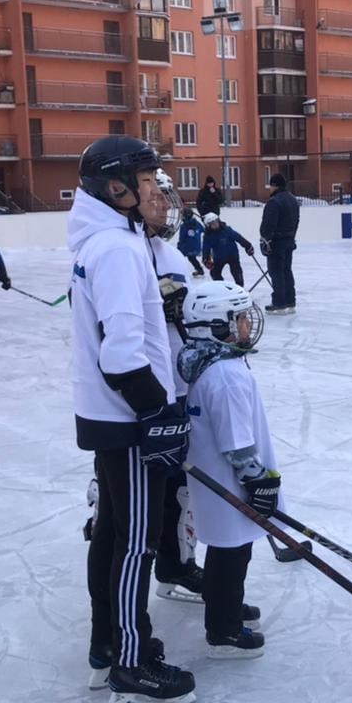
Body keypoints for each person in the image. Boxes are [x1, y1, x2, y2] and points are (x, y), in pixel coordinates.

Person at [68, 134, 196, 703]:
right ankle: (130, 662)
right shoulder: (118, 250)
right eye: (147, 180)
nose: (155, 189)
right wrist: (159, 413)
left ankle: (108, 644)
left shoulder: (104, 237)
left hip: (108, 417)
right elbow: (120, 353)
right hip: (129, 421)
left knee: (114, 536)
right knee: (135, 545)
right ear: (116, 187)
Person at [176, 280, 274, 658]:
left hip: (214, 480)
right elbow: (236, 441)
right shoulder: (227, 375)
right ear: (218, 326)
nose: (249, 325)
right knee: (231, 553)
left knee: (227, 550)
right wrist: (259, 481)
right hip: (229, 482)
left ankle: (226, 609)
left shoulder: (209, 363)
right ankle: (224, 631)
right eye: (241, 319)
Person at [143, 173, 205, 603]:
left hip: (180, 386)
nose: (167, 207)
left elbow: (191, 319)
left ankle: (177, 564)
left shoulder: (173, 256)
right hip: (141, 394)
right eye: (159, 198)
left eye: (170, 198)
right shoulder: (118, 253)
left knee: (179, 489)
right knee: (146, 495)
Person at [259, 172, 300, 315]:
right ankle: (290, 301)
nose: (269, 189)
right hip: (289, 241)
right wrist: (291, 236)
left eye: (270, 185)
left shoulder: (274, 202)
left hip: (276, 243)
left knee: (276, 272)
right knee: (286, 271)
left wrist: (265, 240)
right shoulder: (293, 200)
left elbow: (268, 224)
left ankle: (279, 303)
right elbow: (296, 222)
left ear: (275, 186)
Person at [201, 212, 254, 287]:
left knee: (236, 271)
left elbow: (238, 237)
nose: (215, 224)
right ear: (208, 226)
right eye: (212, 223)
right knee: (214, 273)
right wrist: (206, 259)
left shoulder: (227, 230)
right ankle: (223, 288)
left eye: (216, 221)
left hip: (232, 256)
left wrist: (248, 246)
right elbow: (206, 248)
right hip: (218, 258)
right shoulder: (208, 236)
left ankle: (240, 287)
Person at [177, 207, 206, 279]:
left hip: (187, 246)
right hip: (197, 246)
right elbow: (203, 230)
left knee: (180, 257)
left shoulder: (184, 226)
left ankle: (179, 271)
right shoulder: (197, 223)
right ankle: (199, 269)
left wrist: (180, 245)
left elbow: (182, 238)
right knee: (192, 258)